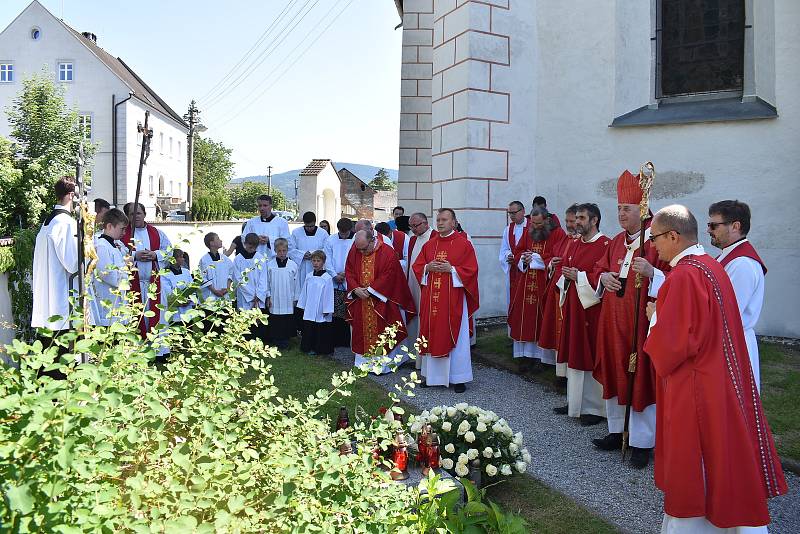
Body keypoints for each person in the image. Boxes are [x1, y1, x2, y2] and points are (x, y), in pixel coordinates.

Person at [643, 205, 786, 532]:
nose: (654, 246)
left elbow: (673, 346)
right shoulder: (711, 265)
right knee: (723, 455)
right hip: (718, 374)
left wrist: (655, 317)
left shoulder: (683, 276)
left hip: (694, 385)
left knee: (695, 459)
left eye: (655, 238)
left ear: (673, 236)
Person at [590, 171, 667, 468]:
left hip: (640, 325)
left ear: (643, 210)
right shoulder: (615, 242)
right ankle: (615, 430)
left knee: (641, 378)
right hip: (611, 322)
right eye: (619, 208)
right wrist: (604, 277)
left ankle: (642, 442)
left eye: (628, 209)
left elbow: (674, 276)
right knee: (614, 371)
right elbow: (598, 268)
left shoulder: (655, 244)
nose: (621, 214)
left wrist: (653, 273)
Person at [553, 203, 609, 425]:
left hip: (593, 311)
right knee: (575, 353)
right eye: (576, 218)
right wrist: (567, 276)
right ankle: (575, 402)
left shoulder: (606, 244)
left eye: (582, 218)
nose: (577, 222)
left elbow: (604, 276)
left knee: (589, 355)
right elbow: (570, 271)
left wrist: (580, 277)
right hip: (574, 307)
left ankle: (594, 409)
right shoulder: (575, 244)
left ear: (594, 220)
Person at [413, 208, 479, 393]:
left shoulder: (464, 244)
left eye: (444, 219)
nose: (440, 223)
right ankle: (432, 376)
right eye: (438, 219)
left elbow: (472, 270)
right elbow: (417, 266)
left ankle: (458, 378)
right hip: (432, 299)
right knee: (431, 333)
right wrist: (427, 267)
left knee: (456, 336)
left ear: (453, 222)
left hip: (453, 300)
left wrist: (452, 270)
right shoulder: (429, 244)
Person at [708, 200, 766, 391]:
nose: (709, 230)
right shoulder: (728, 256)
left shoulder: (742, 264)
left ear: (735, 226)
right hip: (725, 341)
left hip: (733, 344)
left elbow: (728, 313)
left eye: (714, 225)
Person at [346, 229, 416, 374]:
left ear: (372, 240)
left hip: (382, 299)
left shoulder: (387, 252)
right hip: (361, 298)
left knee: (384, 329)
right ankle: (363, 363)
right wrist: (355, 289)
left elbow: (389, 275)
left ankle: (382, 365)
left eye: (364, 248)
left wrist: (371, 291)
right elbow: (349, 270)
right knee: (362, 330)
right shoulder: (356, 249)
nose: (362, 252)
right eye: (359, 249)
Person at [508, 207, 566, 370]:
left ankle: (543, 359)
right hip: (526, 282)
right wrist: (524, 259)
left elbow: (558, 257)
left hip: (544, 282)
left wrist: (538, 258)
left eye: (539, 223)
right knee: (524, 318)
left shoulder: (558, 233)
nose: (535, 227)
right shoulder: (529, 231)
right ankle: (526, 356)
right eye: (533, 223)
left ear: (547, 220)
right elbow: (518, 251)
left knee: (543, 319)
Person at [32, 177, 79, 335]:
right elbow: (73, 264)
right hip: (61, 298)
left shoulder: (48, 222)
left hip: (47, 297)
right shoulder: (65, 223)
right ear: (71, 195)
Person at [122, 202, 172, 338]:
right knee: (135, 316)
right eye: (132, 214)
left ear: (144, 214)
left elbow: (169, 251)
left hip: (154, 284)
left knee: (156, 316)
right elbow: (117, 255)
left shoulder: (156, 233)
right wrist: (134, 256)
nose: (136, 217)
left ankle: (158, 351)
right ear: (127, 216)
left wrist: (155, 255)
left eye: (138, 213)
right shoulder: (122, 233)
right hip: (132, 285)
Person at [89, 208, 130, 327]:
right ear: (109, 226)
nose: (124, 233)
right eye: (122, 229)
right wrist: (124, 276)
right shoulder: (102, 246)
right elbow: (105, 273)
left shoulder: (114, 245)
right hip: (107, 300)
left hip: (117, 300)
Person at [404, 212, 434, 366]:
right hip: (413, 283)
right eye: (411, 226)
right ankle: (412, 355)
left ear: (425, 223)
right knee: (414, 317)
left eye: (416, 226)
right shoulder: (413, 239)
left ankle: (424, 357)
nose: (413, 229)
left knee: (425, 317)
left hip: (427, 284)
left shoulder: (434, 237)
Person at [289, 212, 329, 327]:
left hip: (317, 270)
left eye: (311, 226)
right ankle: (300, 326)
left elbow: (326, 249)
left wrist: (313, 254)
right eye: (307, 226)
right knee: (302, 295)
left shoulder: (323, 233)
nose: (309, 228)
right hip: (302, 269)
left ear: (315, 223)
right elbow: (291, 249)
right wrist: (302, 255)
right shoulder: (296, 233)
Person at [323, 217, 355, 347]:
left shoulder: (354, 240)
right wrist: (334, 274)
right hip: (335, 278)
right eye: (341, 233)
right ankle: (336, 339)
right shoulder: (330, 240)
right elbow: (327, 258)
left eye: (345, 233)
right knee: (336, 310)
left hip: (350, 277)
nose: (343, 235)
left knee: (349, 309)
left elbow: (355, 258)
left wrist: (347, 274)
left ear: (350, 230)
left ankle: (348, 339)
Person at [297, 250, 334, 355]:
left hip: (320, 309)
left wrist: (327, 309)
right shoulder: (309, 276)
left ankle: (320, 349)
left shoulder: (327, 278)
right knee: (309, 327)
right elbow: (304, 291)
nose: (315, 263)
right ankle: (307, 347)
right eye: (313, 261)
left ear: (323, 262)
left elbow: (328, 295)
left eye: (318, 261)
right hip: (309, 307)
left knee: (320, 328)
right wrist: (303, 305)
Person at [266, 238, 298, 349]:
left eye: (284, 250)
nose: (282, 253)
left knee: (286, 318)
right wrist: (268, 296)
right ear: (275, 250)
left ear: (287, 250)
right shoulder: (270, 265)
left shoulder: (293, 265)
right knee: (275, 318)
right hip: (274, 295)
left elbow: (296, 282)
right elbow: (267, 282)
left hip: (288, 296)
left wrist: (295, 298)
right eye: (279, 251)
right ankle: (276, 339)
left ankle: (285, 339)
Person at [499, 201, 529, 316]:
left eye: (514, 212)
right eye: (509, 213)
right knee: (513, 299)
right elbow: (504, 249)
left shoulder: (532, 226)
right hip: (513, 270)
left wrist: (520, 259)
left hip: (528, 269)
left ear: (523, 211)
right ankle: (513, 331)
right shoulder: (508, 229)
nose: (511, 216)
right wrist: (508, 256)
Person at [241, 195, 291, 259]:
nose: (262, 208)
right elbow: (244, 238)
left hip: (274, 260)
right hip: (255, 260)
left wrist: (269, 240)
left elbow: (287, 242)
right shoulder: (251, 222)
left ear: (271, 206)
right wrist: (255, 239)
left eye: (265, 205)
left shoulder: (282, 222)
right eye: (260, 206)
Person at [233, 233, 268, 312]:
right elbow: (238, 279)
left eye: (254, 247)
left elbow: (264, 278)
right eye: (250, 246)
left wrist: (259, 295)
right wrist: (251, 295)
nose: (252, 249)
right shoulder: (238, 259)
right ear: (245, 243)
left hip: (258, 298)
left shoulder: (260, 258)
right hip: (244, 297)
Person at [199, 232, 233, 303]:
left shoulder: (225, 259)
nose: (221, 240)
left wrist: (227, 288)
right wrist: (214, 291)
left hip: (224, 296)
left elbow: (231, 273)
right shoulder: (204, 260)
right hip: (210, 297)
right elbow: (203, 277)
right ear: (212, 243)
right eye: (218, 239)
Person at [162, 249, 194, 322]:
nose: (183, 259)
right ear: (173, 259)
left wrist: (189, 299)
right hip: (174, 313)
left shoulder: (186, 272)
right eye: (181, 257)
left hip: (187, 310)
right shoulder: (165, 274)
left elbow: (192, 287)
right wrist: (180, 301)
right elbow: (167, 293)